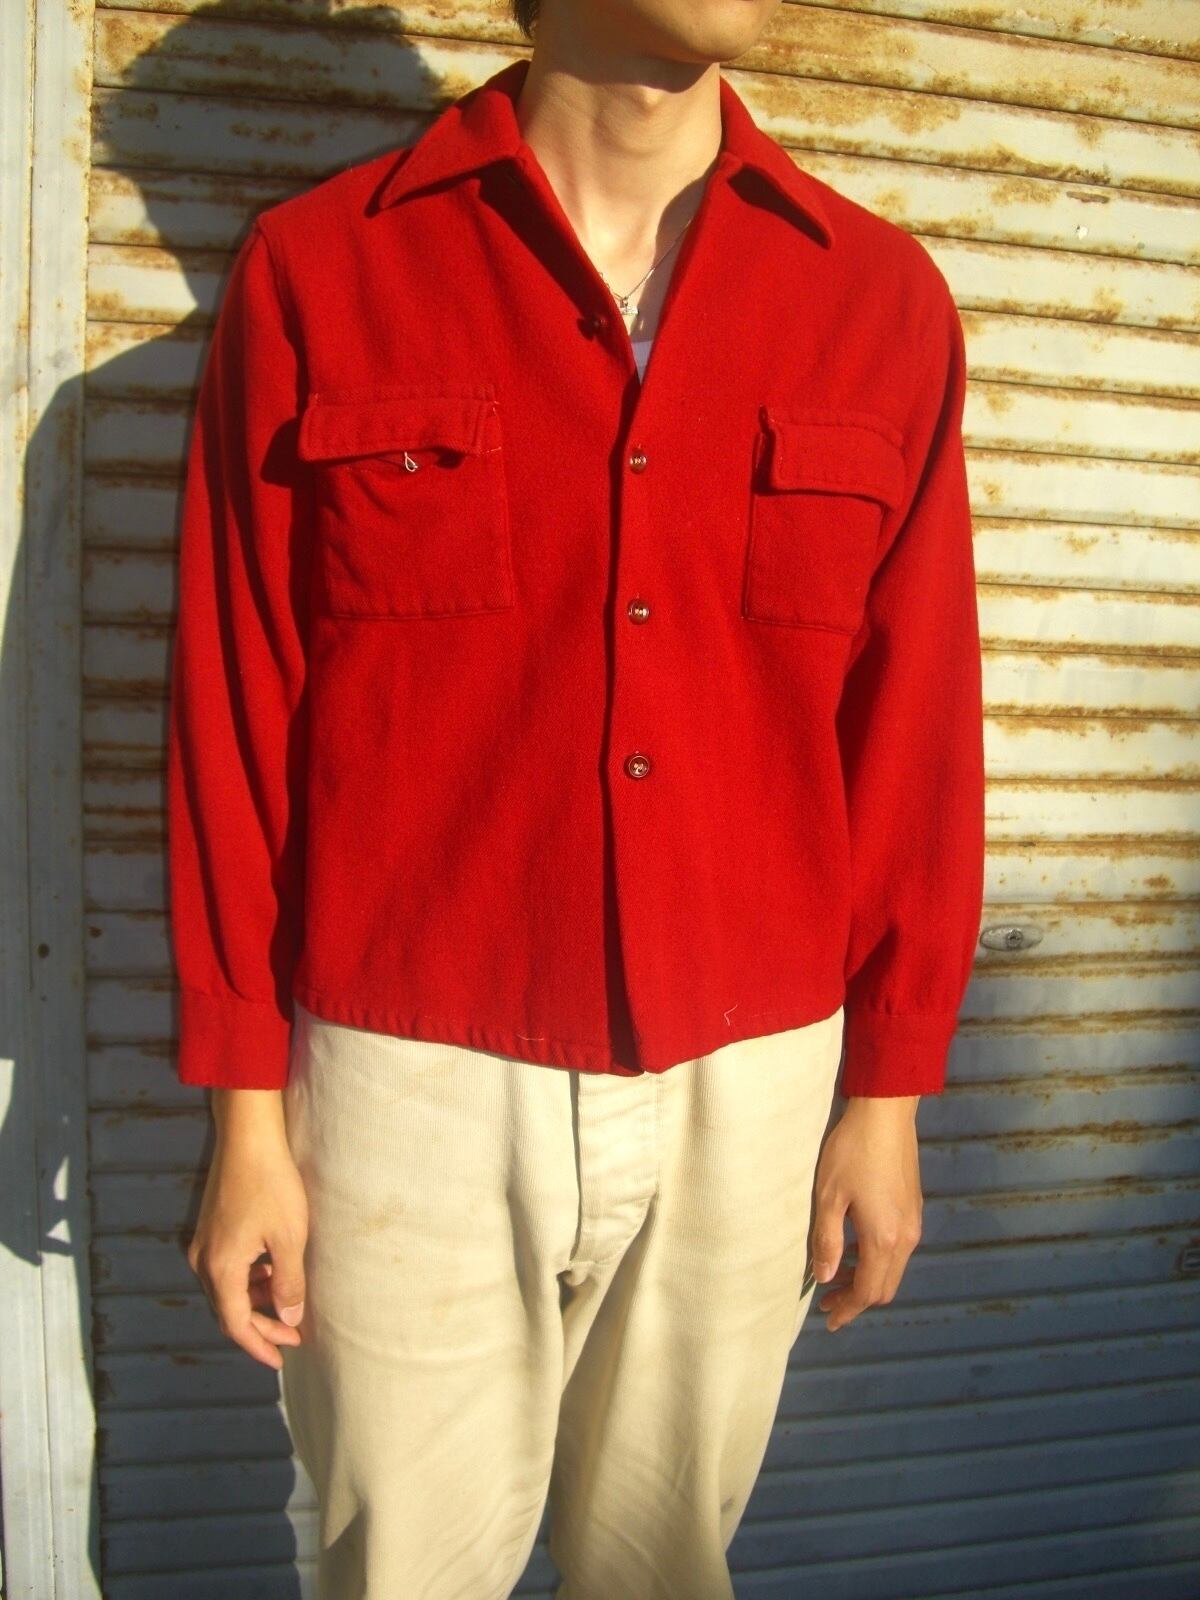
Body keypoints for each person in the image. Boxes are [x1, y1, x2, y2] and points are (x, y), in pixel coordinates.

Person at [167, 0, 985, 1595]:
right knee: (399, 1570)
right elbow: (233, 705)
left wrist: (887, 1095)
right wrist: (244, 1115)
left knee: (665, 1567)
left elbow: (916, 727)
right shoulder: (325, 272)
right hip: (408, 1071)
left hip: (752, 1070)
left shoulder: (877, 301)